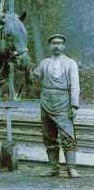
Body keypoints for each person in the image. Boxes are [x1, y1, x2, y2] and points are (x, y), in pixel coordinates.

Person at [33, 33, 81, 178]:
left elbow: (75, 86)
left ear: (63, 46)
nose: (56, 46)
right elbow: (34, 77)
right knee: (48, 136)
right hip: (46, 102)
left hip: (64, 103)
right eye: (54, 43)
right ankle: (53, 168)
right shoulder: (44, 63)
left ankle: (71, 168)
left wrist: (74, 105)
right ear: (50, 46)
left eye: (59, 43)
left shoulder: (70, 63)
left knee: (67, 135)